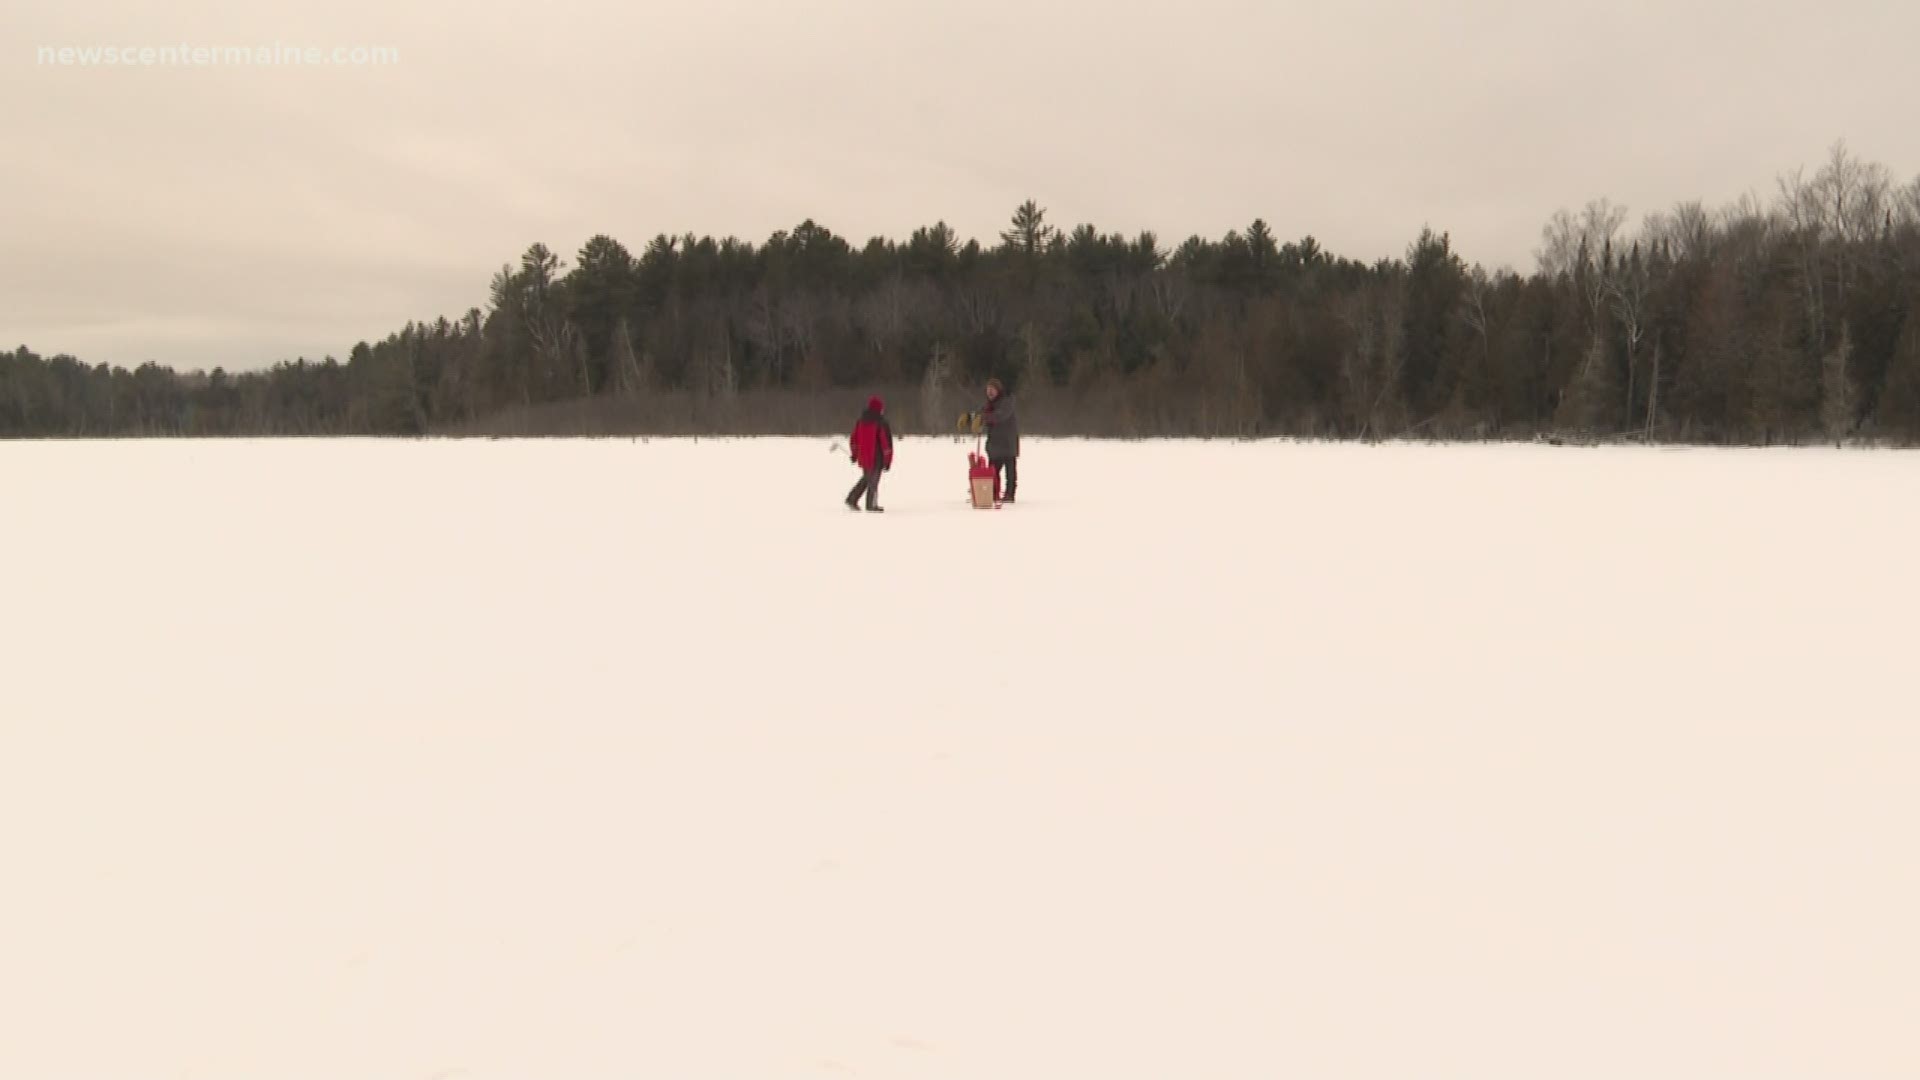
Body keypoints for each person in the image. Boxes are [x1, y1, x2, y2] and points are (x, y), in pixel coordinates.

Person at [845, 395, 893, 512]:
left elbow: (854, 440)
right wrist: (887, 461)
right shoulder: (881, 423)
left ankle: (852, 499)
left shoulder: (860, 421)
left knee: (867, 478)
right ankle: (871, 505)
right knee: (873, 481)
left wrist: (855, 454)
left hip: (864, 457)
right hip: (877, 458)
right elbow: (886, 444)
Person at [981, 377, 1019, 503]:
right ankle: (993, 493)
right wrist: (971, 418)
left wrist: (984, 418)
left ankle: (1009, 494)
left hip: (1007, 442)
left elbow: (1001, 415)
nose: (990, 392)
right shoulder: (989, 405)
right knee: (993, 471)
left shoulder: (1007, 401)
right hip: (995, 443)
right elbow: (982, 415)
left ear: (998, 390)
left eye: (992, 390)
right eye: (988, 390)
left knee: (1010, 472)